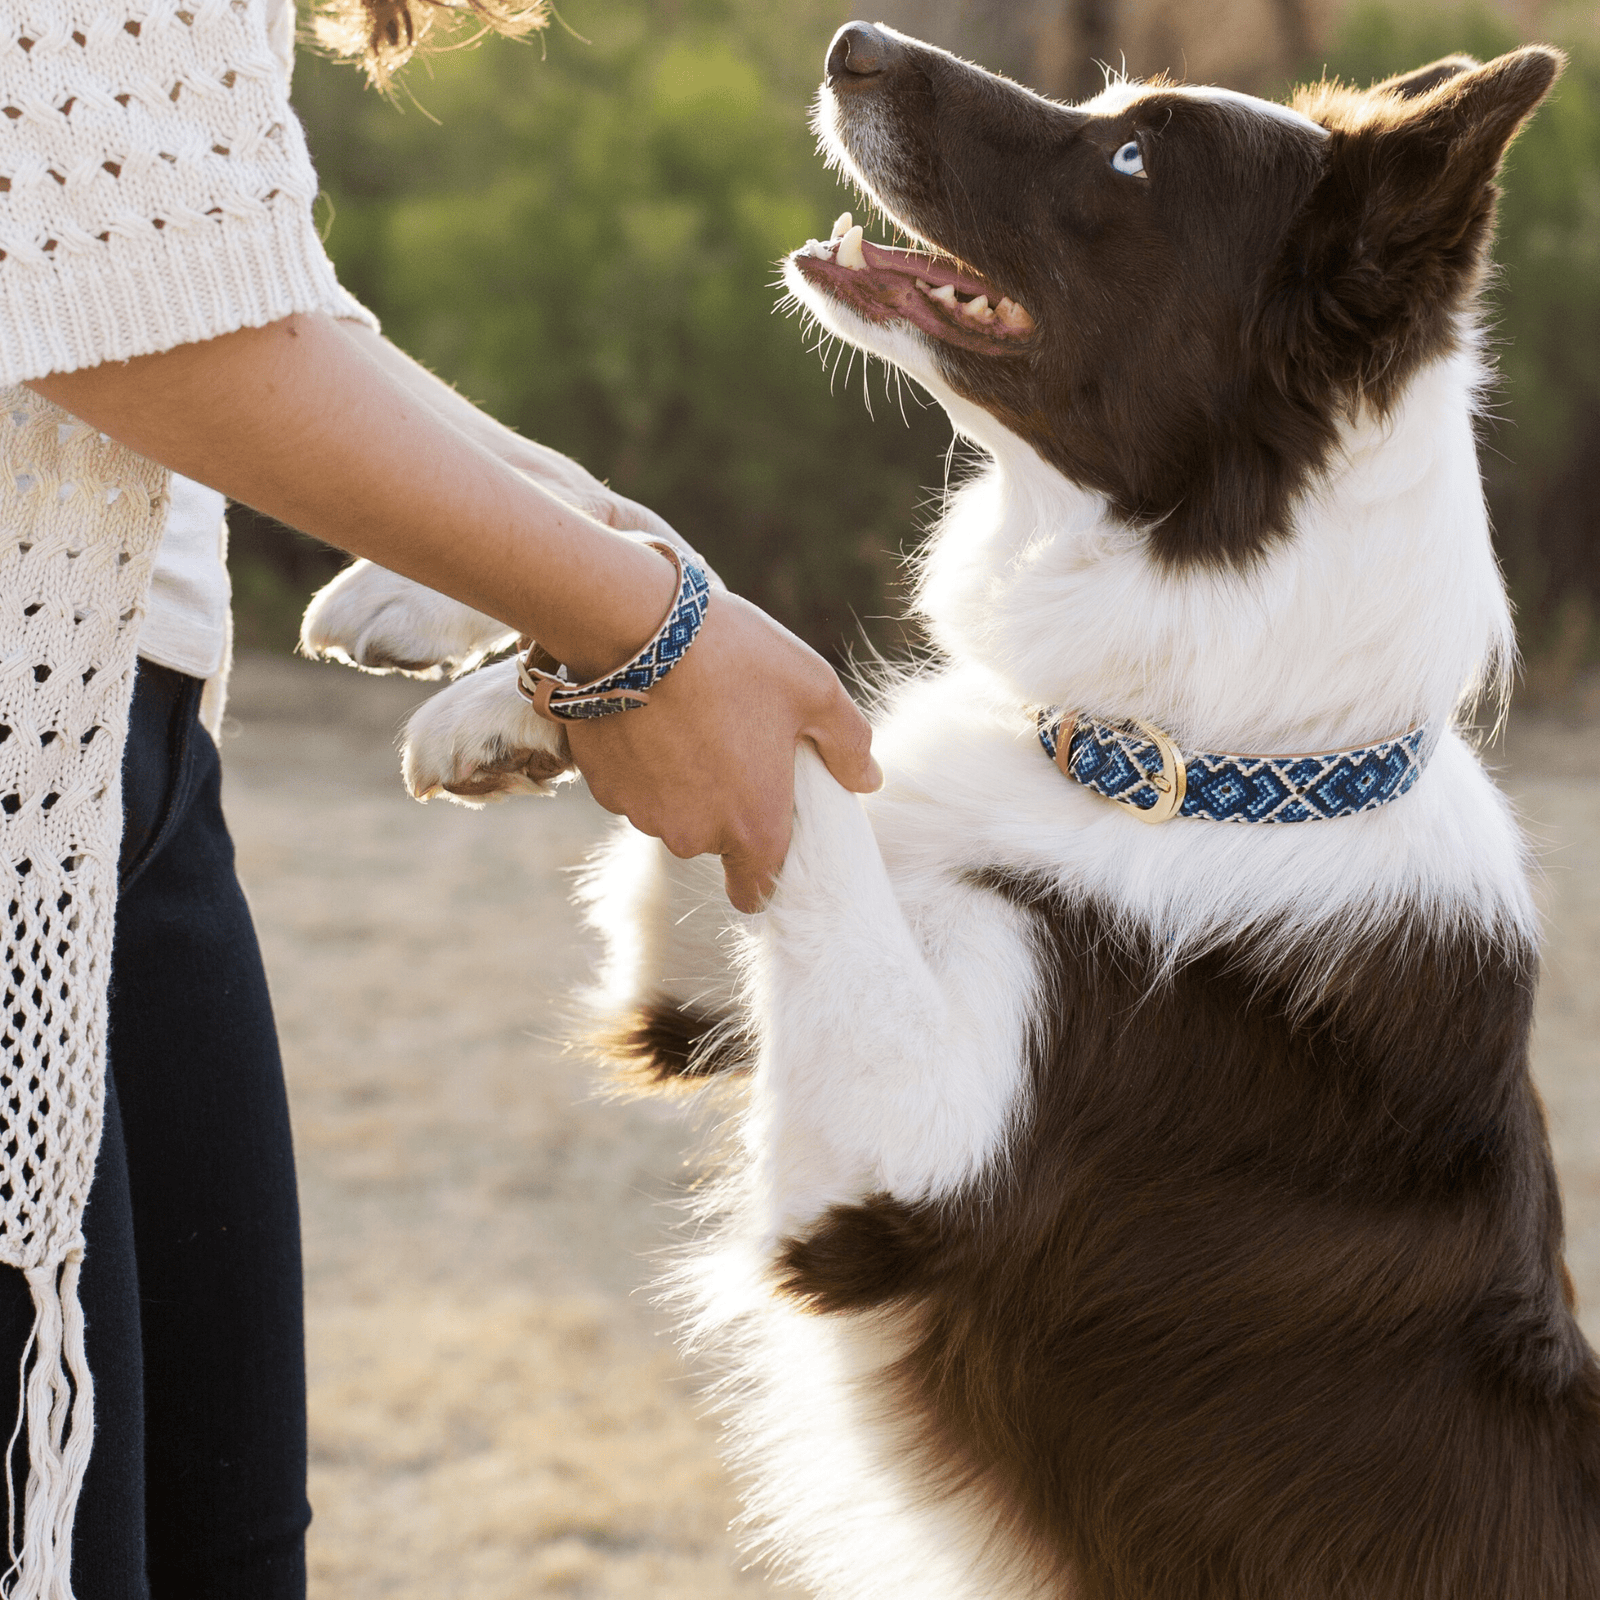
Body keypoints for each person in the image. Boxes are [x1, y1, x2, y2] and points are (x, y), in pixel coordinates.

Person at [0, 0, 878, 1592]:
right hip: (40, 749)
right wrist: (645, 632)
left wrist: (589, 533)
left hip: (107, 759)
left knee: (221, 1549)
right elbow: (116, 294)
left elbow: (216, 265)